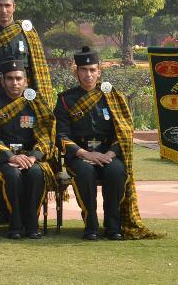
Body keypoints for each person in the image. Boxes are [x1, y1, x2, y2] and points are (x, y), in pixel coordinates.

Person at [56, 46, 156, 240]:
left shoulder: (112, 96)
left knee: (116, 171)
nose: (88, 74)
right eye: (84, 70)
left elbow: (124, 132)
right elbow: (60, 135)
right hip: (80, 155)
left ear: (99, 72)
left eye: (92, 70)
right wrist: (85, 154)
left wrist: (110, 154)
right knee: (85, 173)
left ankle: (113, 226)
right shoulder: (65, 100)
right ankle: (91, 225)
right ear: (76, 72)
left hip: (108, 153)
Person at [0, 59, 53, 239]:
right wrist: (10, 156)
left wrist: (34, 156)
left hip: (29, 156)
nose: (15, 83)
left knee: (36, 173)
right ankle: (16, 224)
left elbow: (46, 134)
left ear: (26, 81)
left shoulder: (35, 101)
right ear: (2, 81)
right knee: (12, 175)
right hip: (2, 157)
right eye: (10, 78)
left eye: (19, 78)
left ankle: (32, 223)